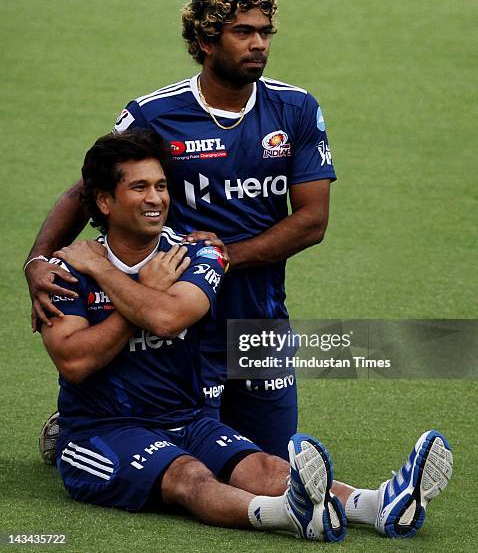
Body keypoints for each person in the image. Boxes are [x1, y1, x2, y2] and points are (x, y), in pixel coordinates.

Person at [26, 0, 334, 461]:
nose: (259, 44)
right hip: (180, 322)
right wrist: (37, 262)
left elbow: (311, 221)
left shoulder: (295, 109)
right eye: (242, 32)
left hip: (258, 317)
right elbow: (86, 193)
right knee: (198, 463)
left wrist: (219, 258)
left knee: (271, 461)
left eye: (264, 32)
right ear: (204, 41)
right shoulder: (156, 113)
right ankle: (90, 421)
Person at [41, 129, 347, 542]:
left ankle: (379, 504)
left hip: (187, 420)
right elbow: (74, 362)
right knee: (189, 475)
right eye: (139, 187)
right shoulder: (69, 270)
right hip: (104, 430)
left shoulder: (197, 252)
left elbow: (169, 318)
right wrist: (136, 292)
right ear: (104, 201)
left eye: (162, 186)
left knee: (267, 467)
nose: (156, 199)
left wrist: (108, 274)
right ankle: (287, 515)